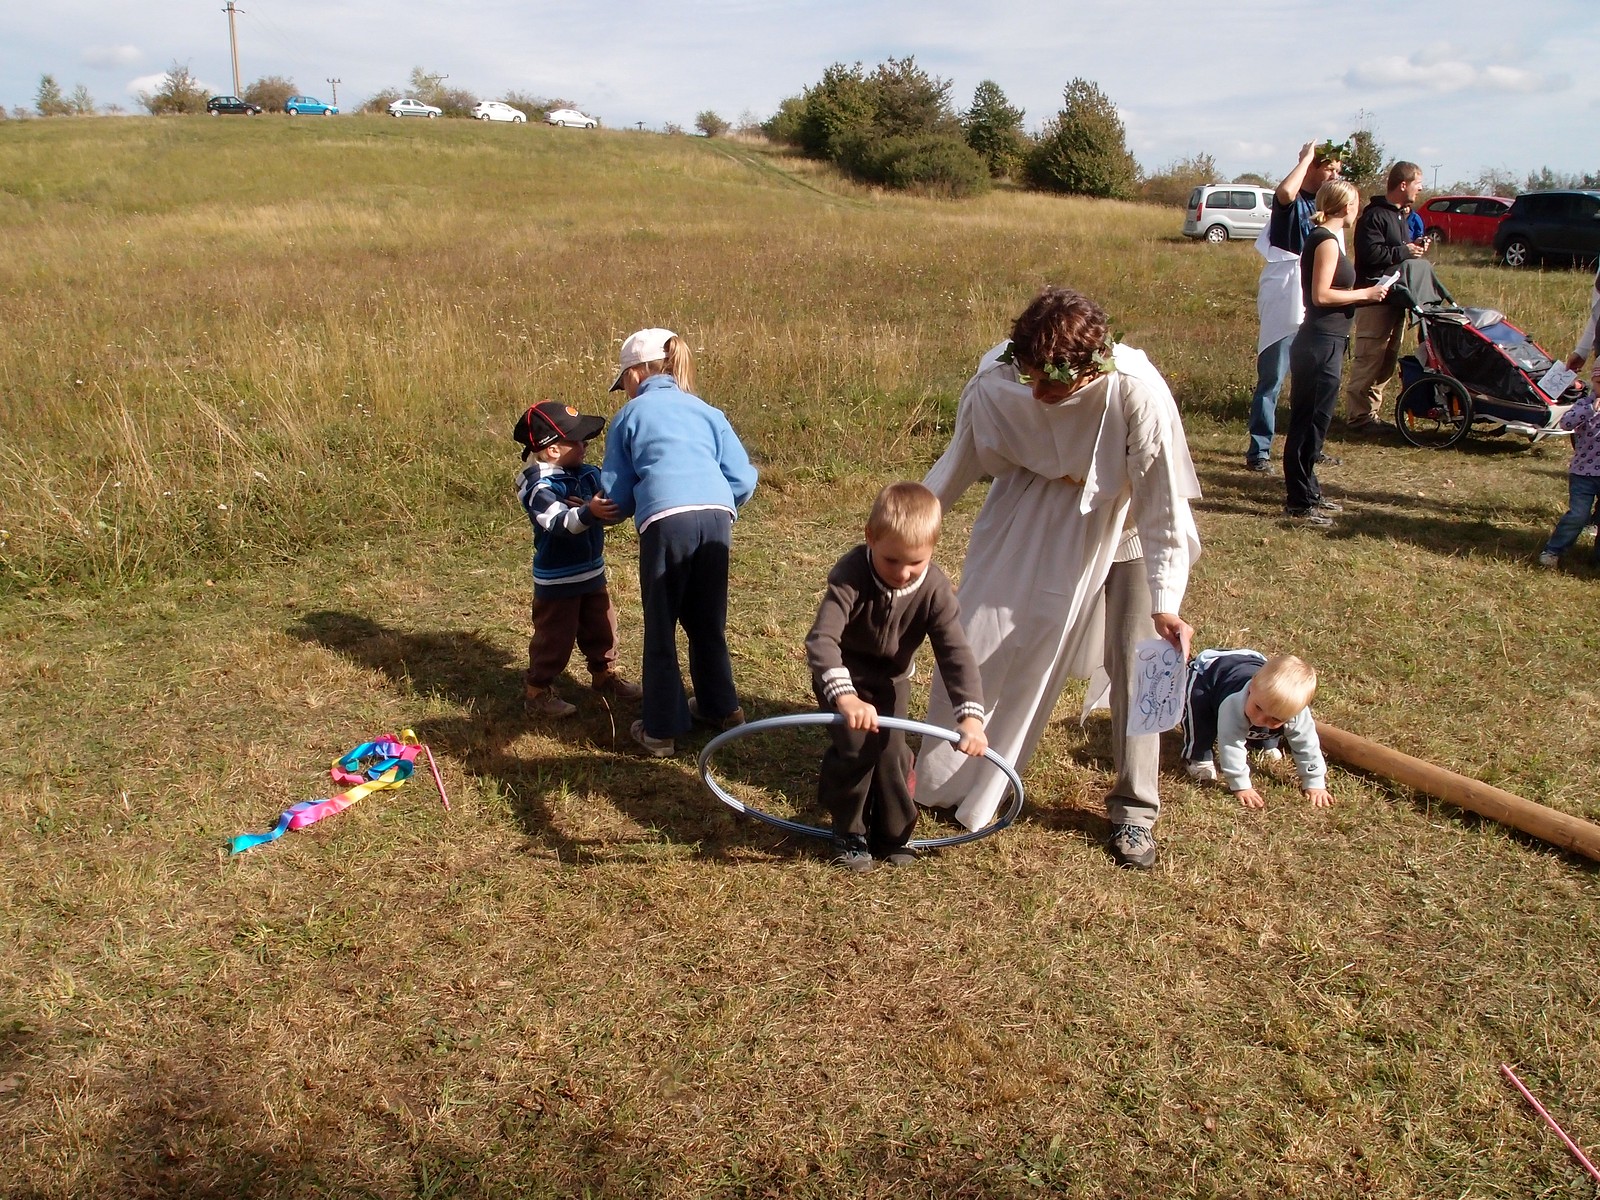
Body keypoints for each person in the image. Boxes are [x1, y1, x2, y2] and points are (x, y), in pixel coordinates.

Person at [915, 286, 1202, 870]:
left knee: (1137, 661)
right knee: (979, 635)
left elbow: (1161, 507)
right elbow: (958, 461)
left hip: (1123, 526)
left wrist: (1166, 601)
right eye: (1032, 378)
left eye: (1053, 384)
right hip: (1030, 511)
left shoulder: (1135, 394)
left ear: (1091, 366)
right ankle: (949, 775)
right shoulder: (998, 377)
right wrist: (904, 534)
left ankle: (1135, 811)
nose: (1039, 394)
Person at [805, 482, 988, 872]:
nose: (903, 573)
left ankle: (892, 834)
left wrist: (970, 715)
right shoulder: (852, 574)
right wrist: (846, 698)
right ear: (870, 537)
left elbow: (955, 654)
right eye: (891, 560)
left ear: (933, 549)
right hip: (842, 678)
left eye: (915, 562)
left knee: (893, 755)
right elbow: (822, 640)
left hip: (892, 681)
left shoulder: (935, 589)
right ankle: (849, 831)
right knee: (856, 749)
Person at [599, 327, 758, 757]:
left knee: (662, 622)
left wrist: (597, 511)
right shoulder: (707, 410)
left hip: (666, 521)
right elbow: (743, 478)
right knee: (707, 619)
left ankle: (660, 730)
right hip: (717, 517)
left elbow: (616, 493)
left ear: (635, 373)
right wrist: (715, 503)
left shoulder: (630, 415)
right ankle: (721, 707)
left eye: (624, 382)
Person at [514, 401, 641, 717]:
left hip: (591, 571)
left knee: (602, 627)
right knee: (554, 637)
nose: (585, 445)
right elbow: (558, 522)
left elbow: (609, 507)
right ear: (553, 450)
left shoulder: (588, 473)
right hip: (557, 578)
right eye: (578, 440)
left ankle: (604, 674)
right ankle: (538, 690)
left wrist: (600, 509)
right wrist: (588, 511)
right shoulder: (538, 484)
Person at [1284, 180, 1390, 525]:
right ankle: (1299, 502)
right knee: (1307, 424)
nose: (1358, 209)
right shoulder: (1326, 242)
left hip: (1328, 341)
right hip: (1318, 342)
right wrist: (1365, 295)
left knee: (1317, 422)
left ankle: (1310, 492)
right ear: (1346, 207)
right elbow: (1321, 295)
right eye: (1356, 203)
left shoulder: (1328, 239)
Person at [1246, 139, 1345, 473]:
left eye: (1338, 170)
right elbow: (1285, 192)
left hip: (1314, 298)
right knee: (1273, 376)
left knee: (1314, 379)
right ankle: (1260, 450)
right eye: (1329, 169)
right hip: (1285, 293)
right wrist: (1306, 158)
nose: (1335, 175)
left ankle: (1310, 447)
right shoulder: (1294, 203)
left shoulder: (1326, 210)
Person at [1180, 650, 1333, 810]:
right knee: (1200, 715)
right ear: (1251, 686)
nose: (1260, 719)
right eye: (1258, 707)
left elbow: (1307, 744)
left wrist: (1314, 782)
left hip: (1250, 668)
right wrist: (1241, 785)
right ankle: (1198, 755)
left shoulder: (1296, 713)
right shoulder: (1233, 703)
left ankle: (1261, 742)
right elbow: (1231, 743)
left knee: (1264, 718)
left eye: (1276, 719)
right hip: (1208, 674)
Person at [1344, 161, 1427, 432]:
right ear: (1403, 185)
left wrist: (1413, 250)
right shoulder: (1375, 216)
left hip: (1395, 298)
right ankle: (1358, 417)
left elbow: (1396, 252)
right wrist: (1405, 251)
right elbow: (1371, 255)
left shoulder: (1401, 216)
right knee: (1369, 358)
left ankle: (1371, 414)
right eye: (1417, 184)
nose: (1420, 189)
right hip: (1373, 299)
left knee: (1386, 360)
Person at [1536, 382, 1600, 568]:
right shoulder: (1584, 404)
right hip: (1583, 473)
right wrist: (1590, 409)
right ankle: (1553, 550)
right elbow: (1566, 423)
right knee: (1578, 515)